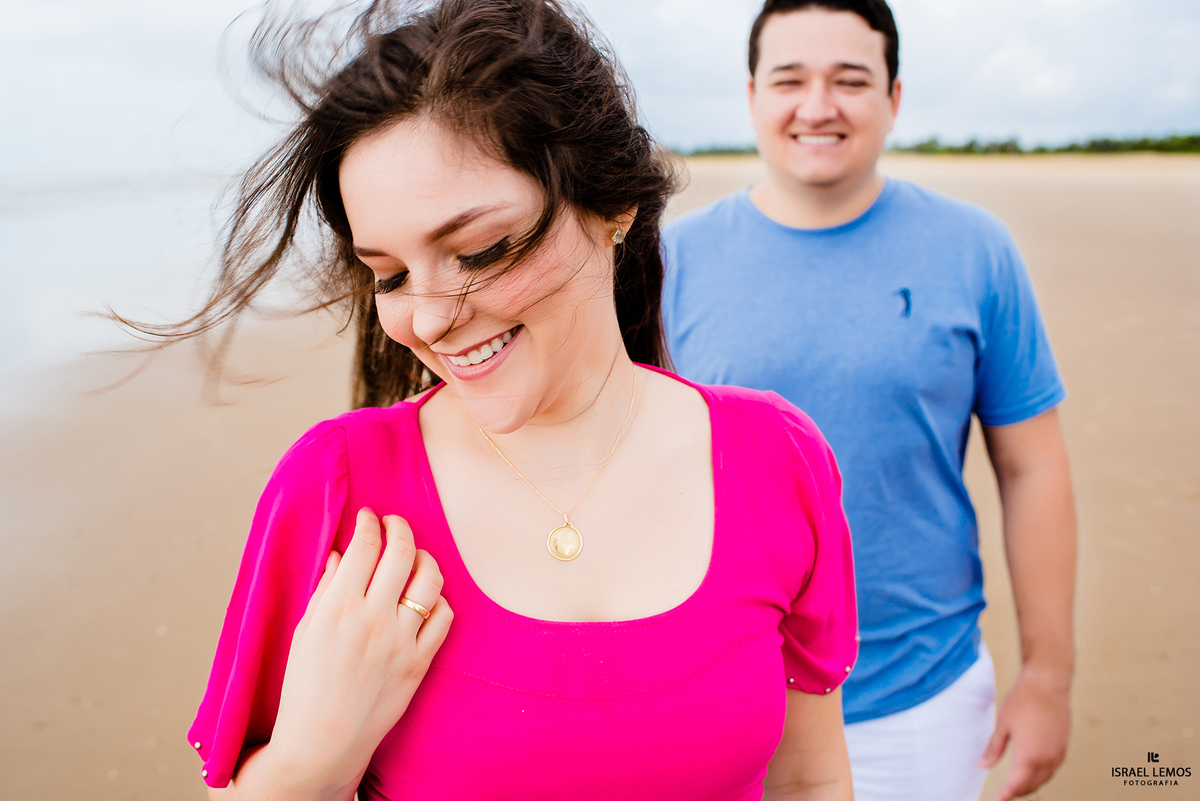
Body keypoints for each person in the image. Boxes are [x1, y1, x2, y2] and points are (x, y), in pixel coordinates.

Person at [156, 1, 859, 799]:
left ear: (613, 207)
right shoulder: (340, 489)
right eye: (389, 273)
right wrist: (313, 756)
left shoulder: (777, 457)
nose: (425, 316)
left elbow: (810, 778)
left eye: (479, 251)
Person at [662, 2, 1077, 800]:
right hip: (724, 695)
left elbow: (1033, 468)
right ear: (752, 95)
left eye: (850, 80)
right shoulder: (669, 261)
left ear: (893, 98)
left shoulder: (975, 248)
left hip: (921, 697)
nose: (818, 106)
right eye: (790, 79)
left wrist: (1049, 677)